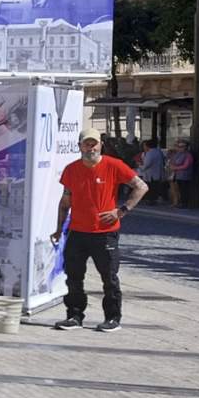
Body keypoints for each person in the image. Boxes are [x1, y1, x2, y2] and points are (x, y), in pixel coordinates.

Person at [53, 128, 149, 332]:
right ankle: (74, 316)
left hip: (105, 233)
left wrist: (122, 210)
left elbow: (141, 186)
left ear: (100, 145)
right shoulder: (71, 169)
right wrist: (58, 229)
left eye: (94, 143)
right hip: (77, 232)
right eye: (86, 144)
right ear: (79, 146)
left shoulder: (114, 165)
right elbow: (65, 202)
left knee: (109, 277)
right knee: (74, 276)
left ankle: (112, 318)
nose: (91, 148)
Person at [138, 139, 166, 205]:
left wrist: (140, 166)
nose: (144, 147)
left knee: (150, 187)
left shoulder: (150, 153)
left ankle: (150, 200)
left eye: (144, 146)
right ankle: (154, 199)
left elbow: (147, 164)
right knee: (155, 187)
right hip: (157, 172)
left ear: (148, 146)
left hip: (150, 174)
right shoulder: (159, 152)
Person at [168, 139, 194, 208]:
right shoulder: (177, 154)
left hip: (185, 175)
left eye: (182, 146)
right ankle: (180, 202)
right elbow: (172, 161)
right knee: (179, 190)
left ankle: (185, 204)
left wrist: (175, 168)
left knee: (184, 190)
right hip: (177, 175)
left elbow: (186, 165)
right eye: (178, 146)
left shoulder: (188, 155)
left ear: (186, 147)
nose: (180, 148)